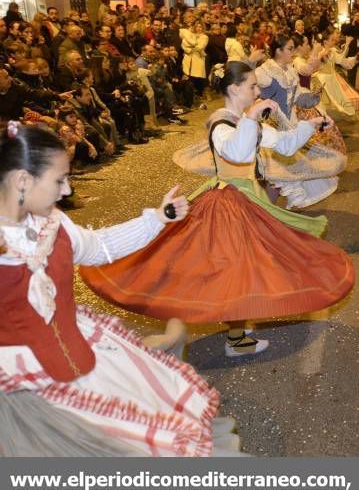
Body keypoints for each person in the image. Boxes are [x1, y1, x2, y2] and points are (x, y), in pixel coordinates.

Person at [0, 123, 243, 456]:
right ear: (23, 181)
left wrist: (158, 218)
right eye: (59, 181)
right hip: (23, 388)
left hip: (76, 352)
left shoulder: (55, 223)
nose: (68, 191)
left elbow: (101, 246)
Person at [80, 62, 355, 357]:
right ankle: (235, 338)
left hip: (247, 199)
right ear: (235, 88)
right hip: (228, 204)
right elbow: (237, 153)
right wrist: (251, 118)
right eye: (252, 85)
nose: (258, 90)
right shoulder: (221, 125)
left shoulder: (244, 121)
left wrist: (308, 126)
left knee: (240, 265)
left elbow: (285, 145)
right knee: (231, 266)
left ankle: (237, 331)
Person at [255, 35, 346, 208]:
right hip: (272, 130)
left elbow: (296, 98)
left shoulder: (289, 71)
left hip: (291, 126)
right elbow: (249, 92)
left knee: (282, 175)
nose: (293, 52)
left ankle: (269, 214)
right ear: (278, 51)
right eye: (290, 48)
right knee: (278, 175)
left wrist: (312, 97)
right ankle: (266, 215)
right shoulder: (264, 72)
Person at [313, 28, 359, 117]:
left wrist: (354, 56)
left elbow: (341, 59)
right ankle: (323, 117)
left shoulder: (333, 51)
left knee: (338, 97)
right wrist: (347, 44)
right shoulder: (320, 52)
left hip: (332, 78)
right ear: (325, 42)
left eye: (334, 40)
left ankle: (328, 117)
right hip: (322, 79)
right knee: (326, 99)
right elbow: (316, 65)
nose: (334, 42)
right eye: (331, 40)